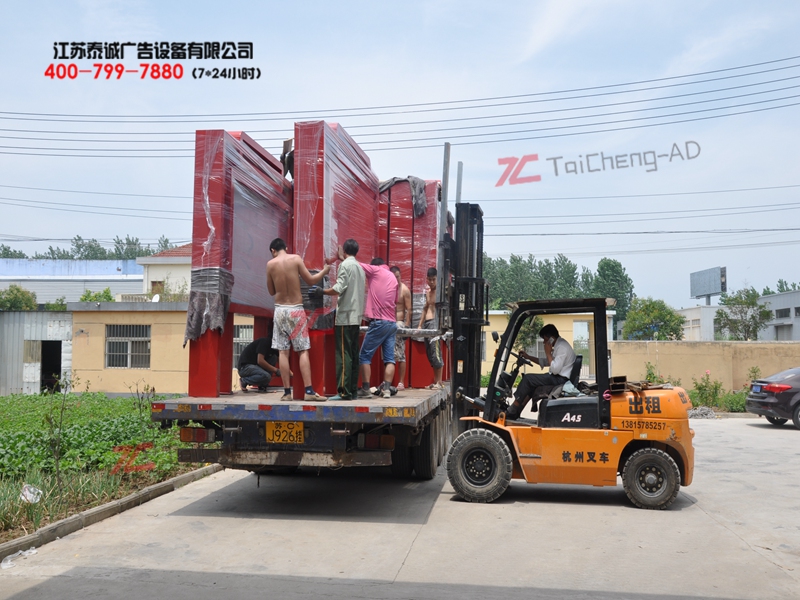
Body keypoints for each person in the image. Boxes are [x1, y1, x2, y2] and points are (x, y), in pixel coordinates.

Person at [266, 237, 330, 402]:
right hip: (296, 310)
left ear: (273, 250)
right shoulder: (295, 259)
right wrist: (325, 271)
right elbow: (311, 280)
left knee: (283, 351)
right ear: (286, 248)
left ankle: (287, 393)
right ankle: (309, 391)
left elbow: (271, 291)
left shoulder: (270, 264)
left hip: (280, 310)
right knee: (302, 350)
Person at [320, 239, 365, 400]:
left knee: (344, 355)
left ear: (344, 251)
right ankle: (352, 390)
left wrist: (322, 291)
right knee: (353, 354)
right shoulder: (360, 268)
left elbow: (338, 288)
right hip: (356, 317)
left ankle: (344, 392)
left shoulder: (345, 266)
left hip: (345, 317)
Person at [506, 324, 577, 420]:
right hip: (557, 377)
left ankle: (512, 409)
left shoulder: (562, 347)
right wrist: (528, 357)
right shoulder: (559, 345)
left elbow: (555, 370)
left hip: (560, 380)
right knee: (531, 384)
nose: (544, 342)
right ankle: (516, 412)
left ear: (551, 338)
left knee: (528, 379)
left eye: (545, 339)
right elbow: (547, 362)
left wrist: (548, 353)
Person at [357, 258, 399, 399]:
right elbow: (395, 301)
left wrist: (340, 256)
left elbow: (356, 263)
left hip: (379, 322)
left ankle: (366, 389)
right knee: (389, 359)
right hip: (392, 323)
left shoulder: (375, 270)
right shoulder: (393, 277)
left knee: (364, 356)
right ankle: (386, 389)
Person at [418, 267, 443, 389]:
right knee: (430, 353)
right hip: (427, 324)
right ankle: (435, 381)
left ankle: (439, 382)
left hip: (435, 323)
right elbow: (425, 309)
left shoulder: (440, 293)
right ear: (426, 279)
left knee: (436, 352)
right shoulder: (428, 293)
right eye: (430, 279)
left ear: (437, 279)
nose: (432, 282)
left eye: (434, 279)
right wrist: (419, 325)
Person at [390, 266, 411, 391]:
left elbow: (409, 309)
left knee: (401, 354)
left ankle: (401, 382)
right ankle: (388, 381)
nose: (396, 279)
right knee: (389, 353)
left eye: (398, 277)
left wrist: (406, 327)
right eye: (394, 277)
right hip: (389, 323)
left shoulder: (404, 290)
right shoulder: (388, 289)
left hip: (399, 323)